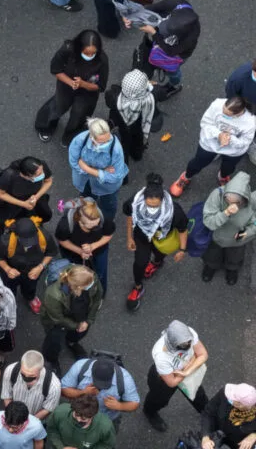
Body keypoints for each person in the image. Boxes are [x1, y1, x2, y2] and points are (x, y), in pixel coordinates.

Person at [124, 172, 189, 311]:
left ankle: (156, 263)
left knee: (159, 253)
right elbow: (130, 216)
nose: (151, 210)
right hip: (141, 236)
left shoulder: (174, 211)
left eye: (155, 206)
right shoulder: (134, 202)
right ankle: (138, 287)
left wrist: (182, 250)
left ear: (163, 199)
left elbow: (183, 229)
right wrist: (129, 237)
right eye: (148, 205)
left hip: (162, 238)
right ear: (143, 198)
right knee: (140, 263)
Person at [170, 96, 255, 198]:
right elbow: (205, 123)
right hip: (210, 143)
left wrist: (230, 139)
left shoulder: (250, 121)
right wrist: (219, 135)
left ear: (237, 114)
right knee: (197, 162)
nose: (222, 114)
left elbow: (245, 142)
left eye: (227, 115)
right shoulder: (217, 104)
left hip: (233, 151)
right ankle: (186, 176)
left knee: (228, 168)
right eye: (223, 110)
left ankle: (223, 176)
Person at [36, 30, 109, 145]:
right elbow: (56, 70)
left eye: (93, 53)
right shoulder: (67, 50)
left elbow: (100, 86)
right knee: (58, 106)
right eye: (86, 53)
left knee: (79, 115)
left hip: (87, 93)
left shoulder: (102, 60)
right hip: (66, 86)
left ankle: (70, 137)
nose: (90, 56)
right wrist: (71, 82)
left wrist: (83, 84)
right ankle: (45, 126)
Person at [144, 321, 209, 432]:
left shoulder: (189, 334)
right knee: (159, 400)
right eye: (184, 345)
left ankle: (207, 414)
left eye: (189, 342)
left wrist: (187, 371)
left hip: (185, 369)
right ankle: (149, 412)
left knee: (198, 394)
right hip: (164, 378)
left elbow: (203, 354)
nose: (189, 345)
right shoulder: (161, 355)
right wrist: (190, 364)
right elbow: (172, 382)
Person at [68, 118, 127, 223]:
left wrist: (87, 168)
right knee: (86, 200)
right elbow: (73, 162)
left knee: (108, 205)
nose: (107, 143)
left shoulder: (116, 149)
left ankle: (107, 222)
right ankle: (86, 216)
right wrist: (102, 171)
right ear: (92, 137)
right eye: (102, 141)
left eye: (108, 139)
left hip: (106, 187)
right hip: (85, 181)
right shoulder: (81, 140)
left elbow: (116, 176)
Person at [201, 170, 254, 285]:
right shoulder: (217, 194)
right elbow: (209, 221)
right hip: (217, 237)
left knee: (235, 256)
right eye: (227, 201)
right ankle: (211, 266)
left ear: (244, 199)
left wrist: (247, 233)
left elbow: (254, 223)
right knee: (212, 254)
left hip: (237, 240)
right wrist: (225, 214)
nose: (231, 205)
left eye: (237, 203)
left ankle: (232, 269)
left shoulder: (252, 202)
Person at [45, 393, 116, 449]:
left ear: (93, 415)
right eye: (76, 415)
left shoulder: (105, 427)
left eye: (83, 419)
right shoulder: (60, 412)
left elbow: (107, 445)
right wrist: (61, 448)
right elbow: (52, 430)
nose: (78, 420)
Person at [0, 352, 60, 423]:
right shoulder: (10, 371)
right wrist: (12, 416)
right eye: (23, 374)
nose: (26, 378)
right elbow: (7, 396)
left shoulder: (54, 386)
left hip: (36, 420)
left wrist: (27, 423)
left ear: (40, 370)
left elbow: (47, 409)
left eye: (31, 376)